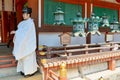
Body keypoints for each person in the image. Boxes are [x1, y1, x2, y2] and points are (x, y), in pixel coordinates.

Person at [10, 7, 38, 77]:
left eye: (25, 14)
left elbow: (26, 33)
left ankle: (30, 72)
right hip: (24, 44)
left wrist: (16, 32)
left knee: (28, 59)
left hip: (29, 44)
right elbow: (21, 32)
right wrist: (17, 33)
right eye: (23, 14)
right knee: (23, 58)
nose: (23, 15)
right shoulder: (22, 23)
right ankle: (23, 71)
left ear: (29, 15)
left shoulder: (30, 23)